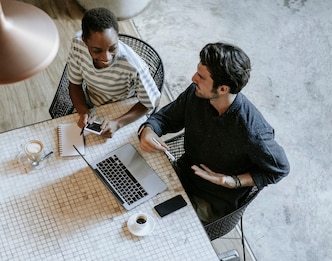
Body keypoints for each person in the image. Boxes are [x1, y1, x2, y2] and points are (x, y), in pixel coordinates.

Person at [138, 42, 290, 223]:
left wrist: (232, 181)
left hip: (212, 200)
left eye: (201, 77)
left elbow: (280, 170)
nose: (193, 78)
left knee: (161, 226)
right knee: (134, 198)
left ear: (223, 89)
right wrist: (149, 130)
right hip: (182, 174)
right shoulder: (196, 93)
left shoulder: (254, 132)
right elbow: (165, 119)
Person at [67, 8, 161, 138]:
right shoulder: (78, 44)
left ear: (118, 36)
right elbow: (74, 85)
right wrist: (83, 112)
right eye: (97, 50)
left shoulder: (134, 66)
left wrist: (118, 123)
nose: (106, 58)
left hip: (122, 111)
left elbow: (149, 102)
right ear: (84, 40)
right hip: (91, 105)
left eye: (112, 48)